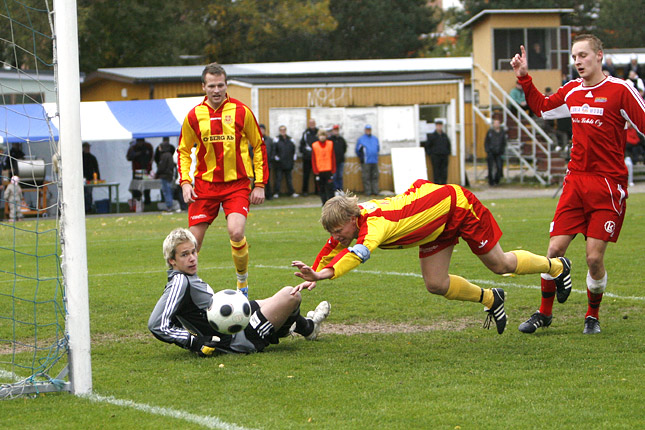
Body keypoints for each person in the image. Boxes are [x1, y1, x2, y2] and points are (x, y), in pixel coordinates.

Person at [290, 180, 572, 335]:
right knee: (435, 283)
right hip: (434, 226)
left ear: (353, 218)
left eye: (340, 231)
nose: (338, 237)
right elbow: (333, 246)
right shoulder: (353, 220)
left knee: (501, 265)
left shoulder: (374, 226)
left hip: (456, 207)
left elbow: (355, 256)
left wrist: (324, 274)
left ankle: (558, 266)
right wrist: (314, 272)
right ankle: (491, 299)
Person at [510, 34, 645, 334]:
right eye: (574, 57)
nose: (578, 62)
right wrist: (524, 78)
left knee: (594, 258)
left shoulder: (621, 91)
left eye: (583, 55)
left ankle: (592, 316)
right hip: (575, 184)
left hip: (608, 187)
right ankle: (544, 313)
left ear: (599, 56)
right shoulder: (572, 91)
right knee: (553, 251)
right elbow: (543, 108)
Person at [148, 228, 330, 356]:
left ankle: (305, 327)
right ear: (172, 260)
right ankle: (295, 329)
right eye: (184, 255)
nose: (192, 258)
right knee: (291, 295)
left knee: (274, 300)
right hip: (237, 338)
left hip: (232, 322)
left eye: (193, 252)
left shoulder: (185, 277)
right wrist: (194, 342)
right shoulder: (179, 281)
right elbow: (157, 324)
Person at [177, 62, 268, 297]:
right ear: (203, 87)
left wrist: (259, 184)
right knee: (190, 245)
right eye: (211, 86)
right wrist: (185, 182)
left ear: (226, 85)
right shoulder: (194, 116)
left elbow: (258, 146)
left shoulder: (241, 111)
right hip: (204, 186)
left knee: (236, 232)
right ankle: (186, 291)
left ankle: (242, 284)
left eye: (220, 85)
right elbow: (184, 150)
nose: (216, 90)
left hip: (236, 185)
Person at [272, 125, 298, 198]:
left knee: (289, 179)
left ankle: (291, 192)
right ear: (279, 131)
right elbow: (274, 149)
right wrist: (275, 156)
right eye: (281, 130)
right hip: (279, 163)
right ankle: (276, 192)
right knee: (278, 178)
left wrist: (294, 156)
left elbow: (293, 149)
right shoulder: (276, 139)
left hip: (288, 162)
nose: (283, 131)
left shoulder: (290, 139)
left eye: (284, 130)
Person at [311, 129, 336, 205]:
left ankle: (332, 203)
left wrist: (333, 169)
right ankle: (324, 203)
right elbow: (313, 159)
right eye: (320, 135)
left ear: (326, 136)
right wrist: (315, 171)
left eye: (323, 135)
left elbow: (333, 157)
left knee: (330, 188)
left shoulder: (330, 144)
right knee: (321, 188)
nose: (322, 137)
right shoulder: (315, 145)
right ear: (318, 136)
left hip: (328, 170)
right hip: (319, 170)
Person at [126, 137, 154, 205]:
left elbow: (152, 156)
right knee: (136, 186)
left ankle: (147, 201)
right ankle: (137, 201)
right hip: (137, 170)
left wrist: (150, 164)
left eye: (141, 142)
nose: (140, 144)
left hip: (146, 169)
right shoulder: (133, 147)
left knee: (147, 186)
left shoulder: (148, 146)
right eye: (139, 142)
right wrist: (137, 154)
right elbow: (128, 157)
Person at [423, 120, 451, 185]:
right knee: (436, 171)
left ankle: (444, 184)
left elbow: (448, 144)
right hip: (435, 156)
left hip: (444, 155)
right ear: (436, 126)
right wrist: (430, 153)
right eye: (438, 126)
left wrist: (447, 152)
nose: (439, 127)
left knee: (444, 171)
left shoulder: (444, 136)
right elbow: (427, 146)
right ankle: (437, 184)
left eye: (440, 126)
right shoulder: (432, 136)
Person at [355, 124, 379, 196]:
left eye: (369, 129)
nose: (368, 131)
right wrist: (362, 158)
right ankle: (368, 192)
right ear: (365, 130)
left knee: (375, 176)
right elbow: (357, 150)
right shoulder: (361, 139)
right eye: (367, 129)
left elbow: (378, 149)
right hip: (366, 161)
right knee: (366, 177)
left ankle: (375, 191)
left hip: (374, 160)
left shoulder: (375, 139)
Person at [154, 137, 176, 212]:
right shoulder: (169, 155)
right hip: (168, 175)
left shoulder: (164, 156)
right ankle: (169, 204)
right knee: (167, 190)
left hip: (165, 176)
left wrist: (157, 173)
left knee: (167, 191)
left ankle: (169, 205)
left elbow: (162, 166)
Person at [484, 118, 507, 186]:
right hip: (491, 152)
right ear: (493, 124)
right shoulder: (490, 132)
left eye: (498, 123)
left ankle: (497, 180)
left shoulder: (502, 132)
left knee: (499, 167)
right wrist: (487, 150)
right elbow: (486, 142)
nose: (496, 124)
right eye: (495, 123)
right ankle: (491, 182)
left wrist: (502, 150)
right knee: (490, 168)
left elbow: (504, 142)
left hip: (499, 153)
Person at [299, 119, 318, 196]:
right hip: (307, 158)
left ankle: (318, 191)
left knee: (317, 175)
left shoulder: (318, 132)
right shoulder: (305, 133)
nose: (312, 124)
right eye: (310, 123)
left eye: (313, 123)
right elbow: (302, 146)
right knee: (306, 175)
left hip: (317, 158)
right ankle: (305, 191)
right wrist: (307, 152)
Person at [82, 142, 100, 214]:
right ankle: (84, 208)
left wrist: (97, 178)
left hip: (90, 179)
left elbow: (96, 168)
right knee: (83, 194)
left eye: (88, 147)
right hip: (81, 179)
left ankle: (88, 208)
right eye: (86, 147)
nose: (88, 149)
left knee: (88, 194)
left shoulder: (92, 157)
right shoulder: (80, 157)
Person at [329, 125, 347, 193]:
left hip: (341, 160)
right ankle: (335, 190)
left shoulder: (341, 139)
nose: (336, 131)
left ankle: (340, 189)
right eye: (334, 130)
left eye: (337, 130)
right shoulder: (330, 140)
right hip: (333, 161)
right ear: (332, 131)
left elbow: (344, 148)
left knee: (340, 176)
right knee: (334, 176)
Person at [259, 124, 274, 200]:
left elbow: (273, 150)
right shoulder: (256, 138)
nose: (261, 131)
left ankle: (268, 195)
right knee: (257, 179)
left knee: (267, 180)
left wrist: (271, 159)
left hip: (267, 163)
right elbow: (251, 150)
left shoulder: (269, 140)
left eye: (262, 129)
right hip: (258, 164)